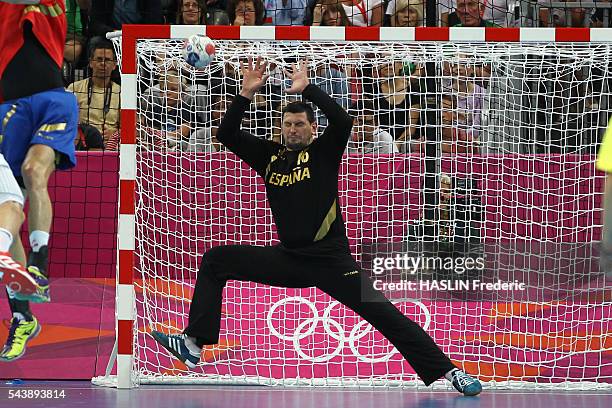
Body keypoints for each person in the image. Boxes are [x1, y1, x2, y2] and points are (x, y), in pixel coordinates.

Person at [151, 57, 482, 396]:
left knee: (386, 317)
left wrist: (308, 88)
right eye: (288, 124)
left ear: (312, 128)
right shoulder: (269, 156)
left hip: (331, 261)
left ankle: (450, 372)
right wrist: (246, 94)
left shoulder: (324, 151)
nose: (292, 129)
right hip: (289, 259)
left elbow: (342, 119)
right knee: (215, 260)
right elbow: (227, 134)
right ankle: (193, 344)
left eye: (299, 124)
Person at [0, 0, 79, 361]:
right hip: (8, 108)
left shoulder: (52, 3)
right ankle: (22, 316)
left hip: (53, 100)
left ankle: (40, 262)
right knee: (6, 211)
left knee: (35, 171)